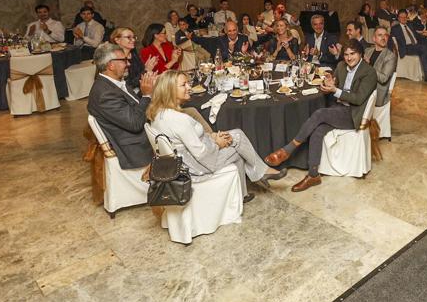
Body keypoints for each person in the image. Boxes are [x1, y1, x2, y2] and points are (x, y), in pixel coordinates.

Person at [148, 70, 287, 202]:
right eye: (183, 85)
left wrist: (212, 137)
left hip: (183, 160)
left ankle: (246, 190)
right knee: (238, 147)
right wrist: (217, 143)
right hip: (197, 165)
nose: (189, 87)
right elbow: (201, 153)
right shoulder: (179, 119)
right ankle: (260, 173)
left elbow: (186, 142)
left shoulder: (159, 114)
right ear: (170, 90)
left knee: (237, 135)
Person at [264, 39, 377, 192]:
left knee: (319, 113)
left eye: (353, 54)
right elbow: (333, 84)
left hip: (353, 114)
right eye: (346, 54)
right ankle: (313, 175)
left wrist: (334, 90)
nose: (349, 58)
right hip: (339, 109)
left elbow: (357, 99)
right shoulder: (341, 66)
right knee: (318, 130)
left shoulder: (369, 72)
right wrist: (329, 83)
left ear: (361, 54)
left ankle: (287, 150)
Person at [87, 43, 156, 170]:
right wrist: (146, 96)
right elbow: (134, 124)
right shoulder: (105, 94)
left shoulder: (114, 82)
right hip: (137, 146)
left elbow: (132, 105)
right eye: (124, 60)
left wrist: (146, 90)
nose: (128, 64)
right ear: (111, 65)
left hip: (143, 130)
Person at [391, 9, 427, 83]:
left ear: (407, 17)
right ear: (398, 18)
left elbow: (416, 35)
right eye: (401, 17)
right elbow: (391, 40)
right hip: (406, 48)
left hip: (415, 46)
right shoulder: (395, 28)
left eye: (405, 17)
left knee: (425, 49)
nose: (403, 19)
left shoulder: (410, 25)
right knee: (423, 48)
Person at [110, 27, 157, 94]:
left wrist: (147, 68)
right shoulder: (114, 59)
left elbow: (140, 74)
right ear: (117, 40)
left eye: (134, 37)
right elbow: (126, 85)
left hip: (140, 89)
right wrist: (146, 70)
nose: (133, 40)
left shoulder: (133, 53)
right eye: (129, 37)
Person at [364, 27, 397, 107]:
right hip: (363, 87)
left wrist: (369, 65)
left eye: (385, 35)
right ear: (374, 39)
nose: (383, 38)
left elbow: (383, 79)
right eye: (380, 35)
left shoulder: (390, 56)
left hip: (376, 91)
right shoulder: (367, 51)